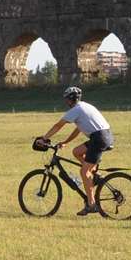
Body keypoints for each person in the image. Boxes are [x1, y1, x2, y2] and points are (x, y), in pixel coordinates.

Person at [38, 86, 113, 216]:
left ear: (70, 99)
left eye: (66, 99)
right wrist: (66, 142)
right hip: (105, 136)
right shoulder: (85, 106)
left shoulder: (76, 110)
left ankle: (91, 204)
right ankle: (93, 174)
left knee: (84, 171)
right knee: (77, 152)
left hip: (98, 139)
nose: (66, 101)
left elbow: (58, 125)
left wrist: (44, 138)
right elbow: (78, 129)